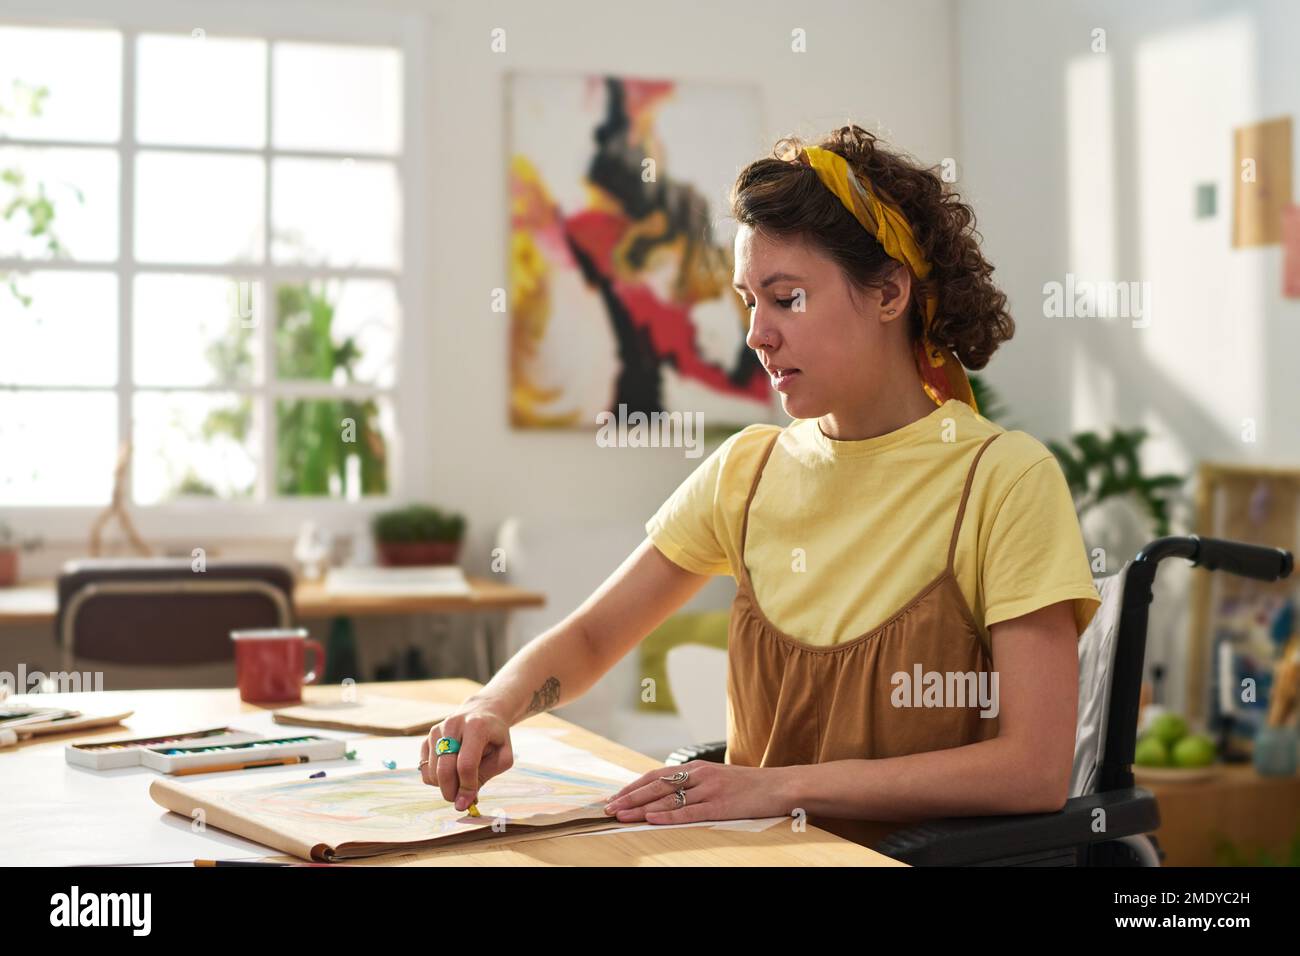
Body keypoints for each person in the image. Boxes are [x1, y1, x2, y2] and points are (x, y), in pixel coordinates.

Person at [421, 124, 1102, 846]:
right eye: (750, 301)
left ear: (889, 293)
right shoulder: (746, 472)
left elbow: (1032, 768)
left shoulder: (1004, 480)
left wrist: (775, 787)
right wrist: (493, 705)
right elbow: (592, 637)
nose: (756, 335)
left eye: (787, 299)